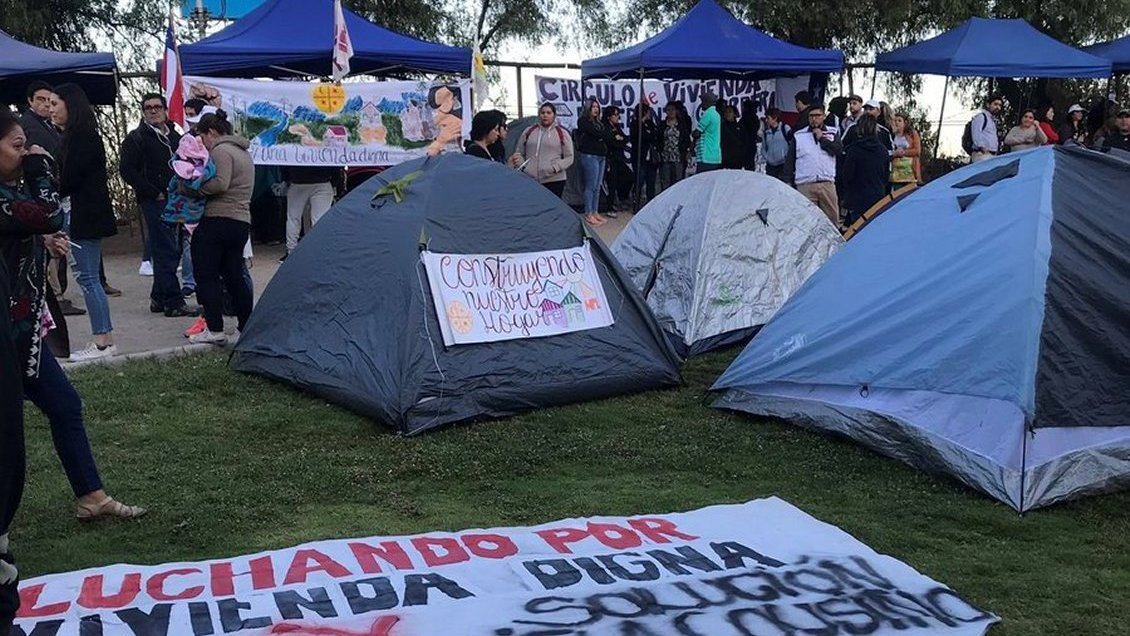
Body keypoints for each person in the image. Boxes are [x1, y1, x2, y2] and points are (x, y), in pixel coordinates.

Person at [0, 111, 146, 525]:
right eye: (17, 145)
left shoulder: (10, 194)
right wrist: (39, 165)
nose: (26, 151)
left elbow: (36, 221)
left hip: (22, 332)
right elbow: (46, 210)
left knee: (64, 405)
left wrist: (39, 239)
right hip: (6, 333)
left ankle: (91, 495)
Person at [53, 83, 119, 361]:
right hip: (81, 214)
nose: (51, 109)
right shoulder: (75, 135)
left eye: (56, 103)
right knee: (88, 278)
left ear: (71, 104)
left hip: (85, 216)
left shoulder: (83, 136)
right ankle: (103, 340)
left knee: (89, 279)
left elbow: (70, 178)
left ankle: (103, 342)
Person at [120, 93, 197, 318]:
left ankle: (158, 297)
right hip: (155, 202)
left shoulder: (175, 136)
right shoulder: (136, 138)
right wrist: (153, 192)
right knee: (167, 250)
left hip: (177, 200)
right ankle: (173, 302)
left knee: (172, 246)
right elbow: (127, 170)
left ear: (165, 110)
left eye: (156, 107)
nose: (152, 111)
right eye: (147, 108)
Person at [185, 112, 255, 345]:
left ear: (211, 133)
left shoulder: (221, 151)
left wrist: (196, 188)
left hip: (217, 219)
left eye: (202, 137)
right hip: (241, 221)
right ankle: (246, 326)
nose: (203, 143)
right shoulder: (244, 152)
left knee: (206, 275)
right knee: (235, 275)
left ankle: (214, 328)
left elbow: (220, 182)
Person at [785, 102, 842, 226]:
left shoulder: (833, 132)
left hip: (826, 183)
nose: (814, 119)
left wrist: (822, 138)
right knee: (806, 222)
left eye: (817, 115)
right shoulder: (799, 135)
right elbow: (790, 160)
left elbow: (838, 151)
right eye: (811, 116)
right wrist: (788, 181)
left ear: (824, 116)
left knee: (832, 221)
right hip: (805, 184)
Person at [841, 114, 893, 228]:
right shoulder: (883, 151)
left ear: (859, 129)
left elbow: (846, 176)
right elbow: (886, 176)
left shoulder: (854, 150)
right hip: (877, 198)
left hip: (856, 199)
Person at [281, 165, 343, 260]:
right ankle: (319, 251)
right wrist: (335, 181)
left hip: (298, 181)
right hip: (323, 181)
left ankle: (291, 251)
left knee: (293, 218)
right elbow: (336, 165)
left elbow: (284, 163)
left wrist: (288, 178)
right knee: (320, 220)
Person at [513, 102, 574, 198]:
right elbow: (519, 152)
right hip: (530, 178)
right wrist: (524, 167)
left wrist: (555, 168)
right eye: (543, 112)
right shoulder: (528, 131)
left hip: (554, 180)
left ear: (554, 115)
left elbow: (569, 157)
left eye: (549, 113)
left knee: (552, 210)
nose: (545, 115)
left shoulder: (562, 133)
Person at [576, 98, 610, 226]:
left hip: (601, 156)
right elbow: (597, 133)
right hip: (590, 156)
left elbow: (606, 134)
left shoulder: (599, 122)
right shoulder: (583, 121)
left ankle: (595, 211)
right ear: (588, 108)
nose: (595, 109)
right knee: (590, 186)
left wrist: (603, 134)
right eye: (593, 107)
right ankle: (588, 213)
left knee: (598, 186)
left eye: (597, 107)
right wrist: (602, 134)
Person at [602, 106, 633, 216]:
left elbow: (624, 139)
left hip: (619, 158)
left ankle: (622, 197)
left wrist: (620, 140)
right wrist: (619, 140)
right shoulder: (605, 127)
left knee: (629, 177)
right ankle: (610, 207)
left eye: (617, 114)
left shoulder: (616, 127)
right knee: (612, 183)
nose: (617, 117)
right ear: (609, 116)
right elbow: (612, 142)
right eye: (615, 114)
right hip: (611, 159)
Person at [629, 99, 660, 205]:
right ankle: (636, 203)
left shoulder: (651, 123)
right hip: (640, 158)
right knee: (639, 182)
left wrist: (649, 133)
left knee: (651, 183)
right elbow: (639, 136)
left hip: (651, 159)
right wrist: (641, 122)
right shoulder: (634, 124)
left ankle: (650, 204)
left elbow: (654, 135)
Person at [656, 102, 691, 191]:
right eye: (668, 110)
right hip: (665, 157)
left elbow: (686, 140)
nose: (671, 112)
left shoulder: (682, 125)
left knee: (678, 182)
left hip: (678, 157)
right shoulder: (662, 125)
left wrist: (687, 152)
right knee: (665, 182)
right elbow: (658, 140)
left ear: (676, 111)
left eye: (673, 110)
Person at [890, 112, 922, 185]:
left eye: (899, 120)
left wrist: (903, 152)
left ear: (905, 122)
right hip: (895, 173)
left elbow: (917, 151)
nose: (896, 123)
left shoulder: (912, 134)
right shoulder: (891, 135)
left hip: (910, 172)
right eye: (895, 121)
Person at [969, 95, 1003, 162]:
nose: (998, 107)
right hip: (982, 155)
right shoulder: (981, 117)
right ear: (988, 105)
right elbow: (976, 134)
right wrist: (983, 148)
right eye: (995, 104)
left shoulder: (993, 121)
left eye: (1000, 105)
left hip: (991, 156)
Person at [695, 90, 722, 172]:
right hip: (714, 155)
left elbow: (697, 133)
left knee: (702, 182)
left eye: (702, 101)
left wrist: (693, 133)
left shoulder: (708, 114)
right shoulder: (716, 114)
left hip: (706, 156)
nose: (701, 103)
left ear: (707, 101)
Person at [761, 108, 791, 182]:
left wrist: (786, 157)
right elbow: (764, 147)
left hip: (783, 164)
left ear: (775, 118)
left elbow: (791, 143)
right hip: (770, 166)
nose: (766, 120)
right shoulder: (766, 132)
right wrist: (767, 158)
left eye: (768, 118)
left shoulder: (785, 128)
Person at [720, 104, 747, 169]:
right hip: (724, 160)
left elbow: (745, 143)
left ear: (735, 114)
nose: (727, 114)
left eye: (730, 112)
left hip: (737, 161)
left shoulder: (740, 127)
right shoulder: (721, 127)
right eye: (725, 112)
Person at [739, 99, 761, 171]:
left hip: (745, 144)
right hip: (751, 144)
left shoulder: (745, 118)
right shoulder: (755, 118)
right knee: (750, 165)